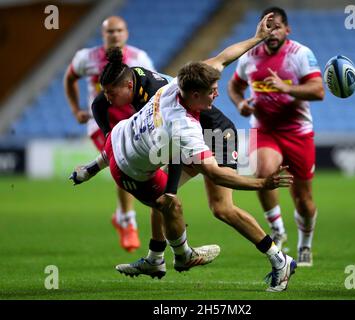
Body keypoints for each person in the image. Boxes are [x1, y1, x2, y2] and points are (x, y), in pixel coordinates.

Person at [71, 13, 298, 292]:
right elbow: (173, 143)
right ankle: (156, 258)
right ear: (192, 91)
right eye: (212, 90)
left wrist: (258, 38)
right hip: (184, 134)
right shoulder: (173, 102)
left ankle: (279, 259)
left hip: (215, 135)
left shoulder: (175, 93)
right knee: (163, 198)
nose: (217, 95)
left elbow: (223, 58)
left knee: (221, 208)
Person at [228, 7, 325, 267]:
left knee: (303, 200)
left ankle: (305, 243)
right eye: (268, 27)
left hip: (297, 131)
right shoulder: (249, 55)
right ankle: (278, 229)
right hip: (264, 129)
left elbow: (318, 91)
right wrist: (240, 105)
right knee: (263, 171)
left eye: (278, 27)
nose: (272, 32)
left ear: (287, 29)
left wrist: (288, 88)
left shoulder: (300, 54)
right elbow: (234, 86)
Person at [63, 16, 155, 252]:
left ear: (126, 33)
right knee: (122, 162)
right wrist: (76, 110)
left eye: (119, 31)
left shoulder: (139, 58)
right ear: (103, 34)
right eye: (110, 31)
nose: (114, 35)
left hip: (131, 123)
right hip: (101, 125)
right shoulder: (86, 58)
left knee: (131, 165)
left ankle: (122, 216)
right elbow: (69, 78)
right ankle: (128, 222)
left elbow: (152, 90)